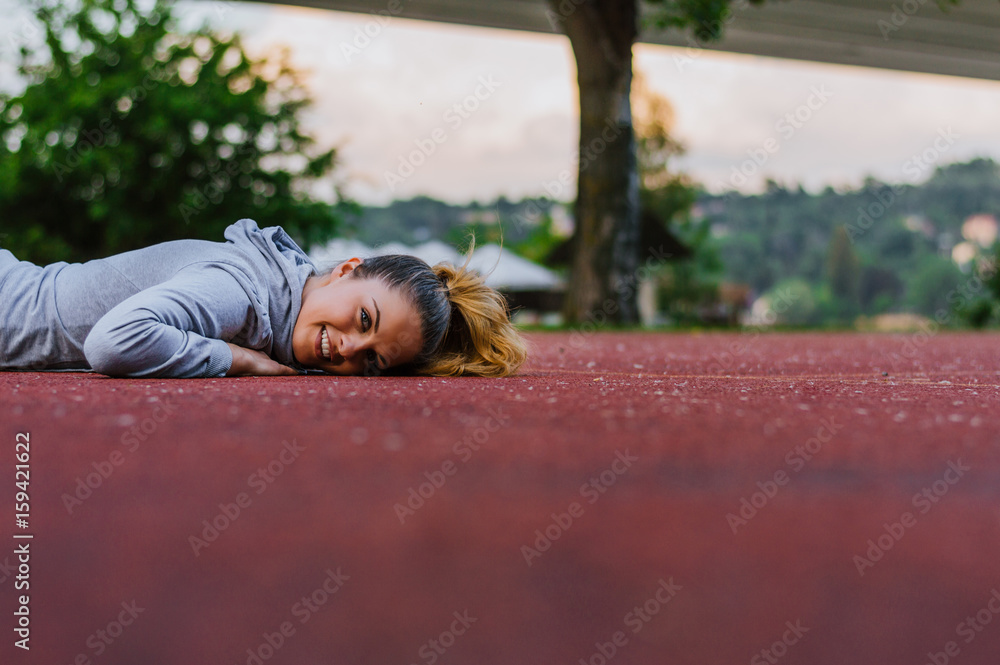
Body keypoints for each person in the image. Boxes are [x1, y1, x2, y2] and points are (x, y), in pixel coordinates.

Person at [0, 219, 527, 378]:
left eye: (371, 360)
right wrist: (237, 360)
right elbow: (113, 343)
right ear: (346, 270)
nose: (345, 348)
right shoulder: (244, 290)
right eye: (362, 319)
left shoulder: (278, 302)